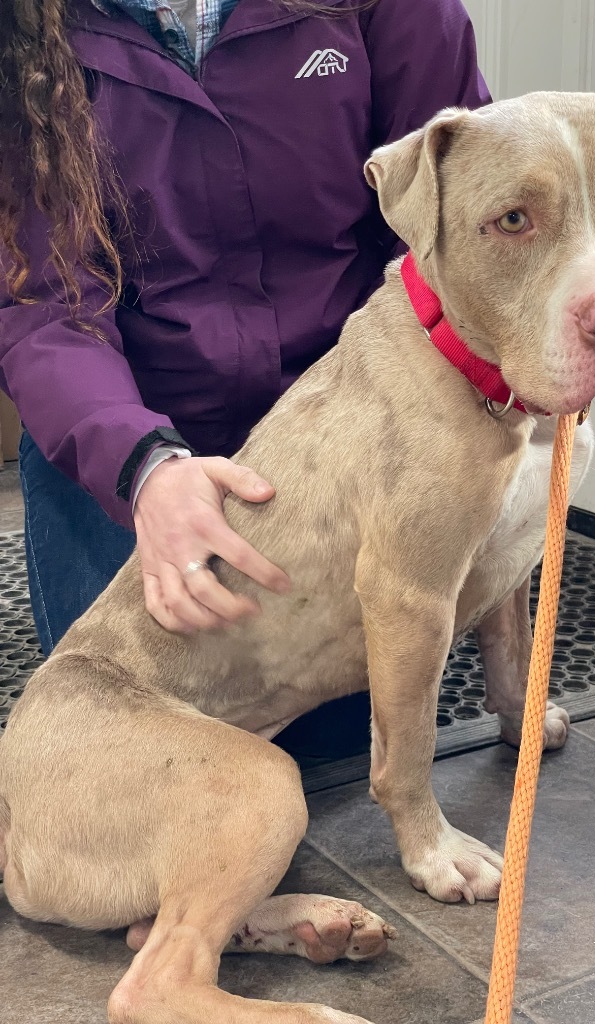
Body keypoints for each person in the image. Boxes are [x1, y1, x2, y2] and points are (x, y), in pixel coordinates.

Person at [0, 0, 490, 759]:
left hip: (339, 417)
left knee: (327, 747)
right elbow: (45, 305)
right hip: (128, 426)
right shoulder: (25, 33)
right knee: (131, 739)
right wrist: (144, 467)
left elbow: (462, 202)